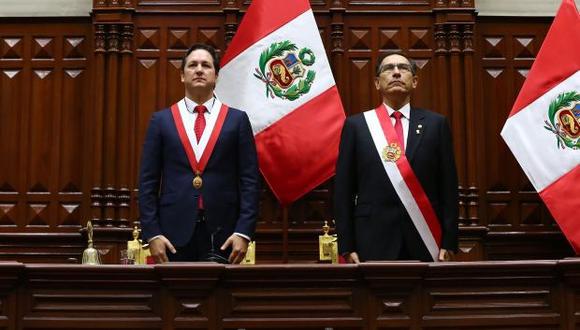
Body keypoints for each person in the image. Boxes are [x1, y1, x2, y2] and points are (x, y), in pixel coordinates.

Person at [138, 43, 260, 264]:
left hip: (224, 235)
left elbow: (249, 180)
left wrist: (244, 231)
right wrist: (152, 233)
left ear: (216, 76)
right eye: (192, 65)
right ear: (182, 76)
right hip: (171, 235)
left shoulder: (237, 120)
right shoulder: (161, 121)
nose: (199, 70)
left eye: (206, 65)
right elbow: (148, 182)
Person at [334, 52, 458, 263]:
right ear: (376, 83)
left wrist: (449, 241)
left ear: (415, 81)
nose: (396, 72)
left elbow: (448, 187)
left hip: (425, 238)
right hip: (371, 239)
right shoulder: (357, 126)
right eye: (388, 69)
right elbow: (343, 190)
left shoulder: (436, 125)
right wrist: (346, 245)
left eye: (403, 68)